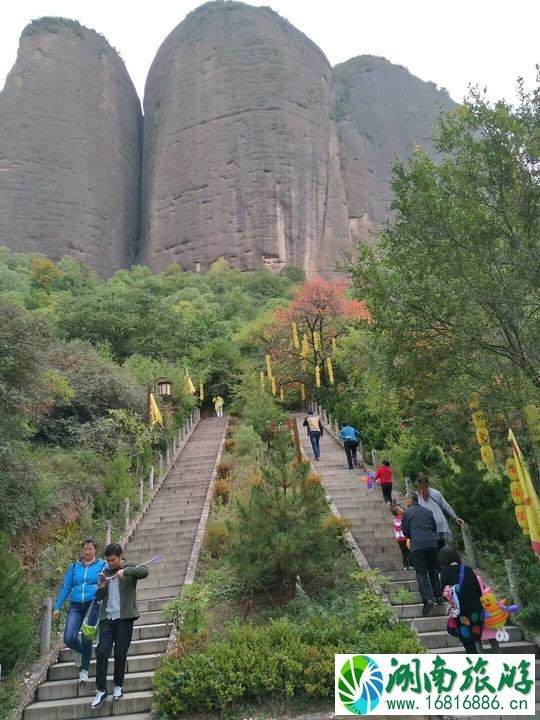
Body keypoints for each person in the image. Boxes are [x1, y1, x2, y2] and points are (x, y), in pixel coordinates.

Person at [90, 544, 149, 709]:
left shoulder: (129, 568)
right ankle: (101, 690)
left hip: (124, 618)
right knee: (102, 651)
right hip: (107, 618)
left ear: (121, 557)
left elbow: (145, 571)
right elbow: (99, 596)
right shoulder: (105, 573)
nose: (110, 563)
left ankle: (118, 686)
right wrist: (101, 586)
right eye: (108, 560)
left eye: (113, 560)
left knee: (120, 653)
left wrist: (126, 571)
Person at [52, 539, 106, 683]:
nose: (87, 552)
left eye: (90, 549)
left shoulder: (102, 565)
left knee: (87, 636)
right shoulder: (74, 566)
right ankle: (83, 652)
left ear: (95, 551)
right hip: (75, 605)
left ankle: (84, 670)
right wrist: (57, 606)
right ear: (82, 550)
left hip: (92, 603)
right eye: (85, 549)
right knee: (69, 638)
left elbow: (108, 582)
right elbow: (66, 587)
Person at [402, 492, 442, 616]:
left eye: (405, 499)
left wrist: (413, 537)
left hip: (418, 546)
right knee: (433, 570)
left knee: (421, 573)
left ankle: (428, 599)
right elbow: (434, 528)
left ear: (410, 500)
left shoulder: (408, 513)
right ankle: (438, 596)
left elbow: (405, 531)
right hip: (432, 544)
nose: (404, 501)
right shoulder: (428, 511)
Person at [439, 547, 484, 654]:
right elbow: (479, 591)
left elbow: (445, 594)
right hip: (477, 610)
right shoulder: (467, 569)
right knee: (476, 638)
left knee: (468, 644)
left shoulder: (445, 572)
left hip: (461, 613)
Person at [416, 473, 464, 549]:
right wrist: (455, 517)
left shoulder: (417, 496)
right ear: (428, 482)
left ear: (418, 484)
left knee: (432, 547)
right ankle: (442, 559)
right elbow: (446, 506)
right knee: (441, 546)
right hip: (440, 522)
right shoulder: (436, 493)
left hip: (428, 524)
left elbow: (415, 510)